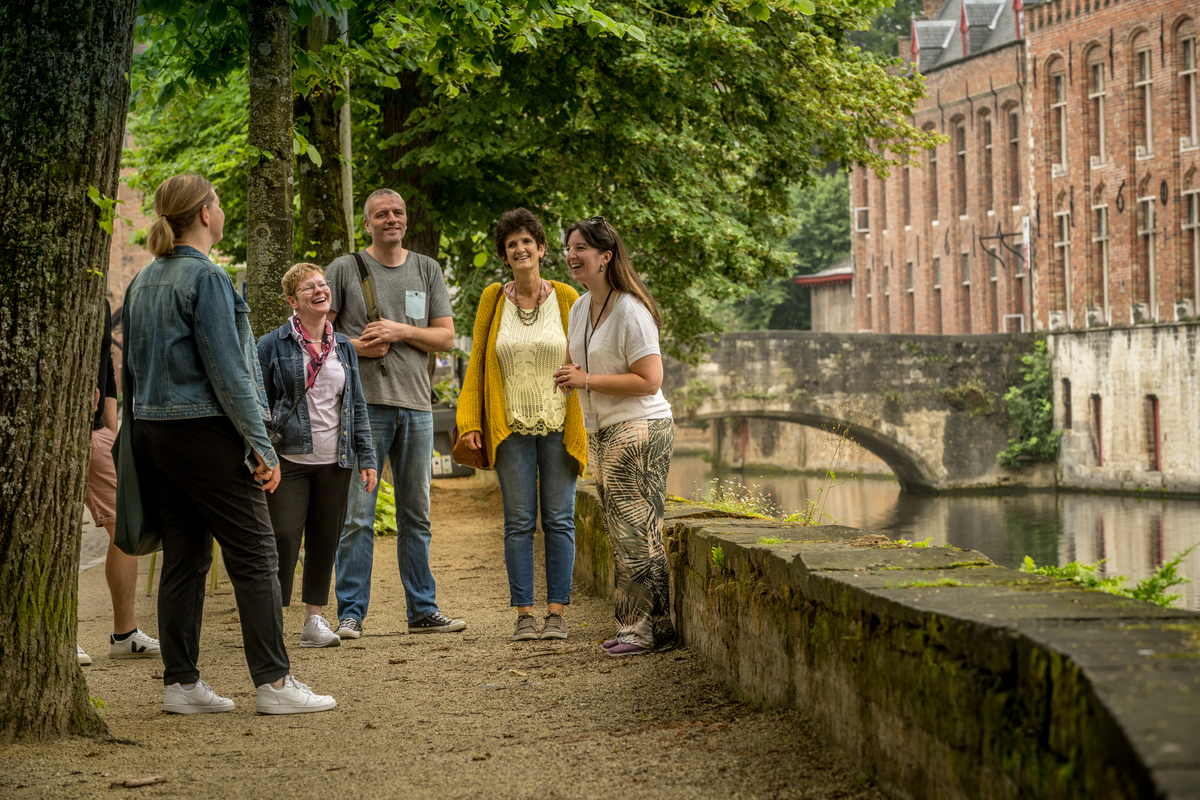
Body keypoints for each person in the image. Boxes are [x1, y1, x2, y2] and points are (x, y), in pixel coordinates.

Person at [123, 173, 335, 715]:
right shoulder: (206, 279)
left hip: (152, 432)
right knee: (257, 553)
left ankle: (182, 684)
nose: (221, 210)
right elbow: (231, 373)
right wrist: (261, 444)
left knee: (185, 556)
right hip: (203, 432)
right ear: (202, 214)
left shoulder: (143, 280)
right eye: (217, 203)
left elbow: (130, 371)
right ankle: (274, 682)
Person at [325, 188, 465, 638]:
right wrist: (355, 346)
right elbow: (315, 333)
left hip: (417, 408)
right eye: (381, 213)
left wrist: (400, 330)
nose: (391, 219)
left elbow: (445, 338)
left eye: (398, 212)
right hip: (363, 411)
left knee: (416, 515)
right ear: (366, 223)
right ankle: (350, 614)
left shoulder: (427, 269)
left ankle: (422, 611)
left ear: (405, 219)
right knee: (357, 517)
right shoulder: (345, 269)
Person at [457, 208, 587, 641]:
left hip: (559, 422)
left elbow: (587, 355)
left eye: (527, 241)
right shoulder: (493, 299)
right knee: (517, 522)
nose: (520, 248)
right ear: (505, 255)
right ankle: (524, 615)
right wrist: (469, 420)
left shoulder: (568, 297)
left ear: (542, 248)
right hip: (508, 426)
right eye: (511, 244)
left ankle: (556, 614)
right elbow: (476, 364)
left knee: (560, 520)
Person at [552, 217, 676, 657]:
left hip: (640, 427)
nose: (571, 254)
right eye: (569, 247)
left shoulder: (631, 311)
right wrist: (569, 376)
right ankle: (644, 627)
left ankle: (643, 631)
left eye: (581, 247)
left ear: (606, 257)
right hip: (602, 430)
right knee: (621, 532)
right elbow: (579, 364)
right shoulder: (581, 308)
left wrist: (586, 380)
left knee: (635, 534)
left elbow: (649, 379)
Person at [257, 263, 378, 649]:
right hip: (288, 461)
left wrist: (368, 456)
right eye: (309, 287)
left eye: (322, 284)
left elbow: (355, 403)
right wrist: (261, 454)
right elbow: (259, 403)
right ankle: (270, 619)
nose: (320, 290)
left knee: (325, 539)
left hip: (335, 461)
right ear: (293, 301)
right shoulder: (270, 345)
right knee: (284, 537)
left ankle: (314, 620)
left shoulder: (343, 345)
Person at [78, 300, 161, 666]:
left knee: (124, 525)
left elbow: (106, 375)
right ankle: (60, 637)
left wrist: (111, 434)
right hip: (45, 432)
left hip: (95, 435)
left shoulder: (98, 300)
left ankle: (124, 634)